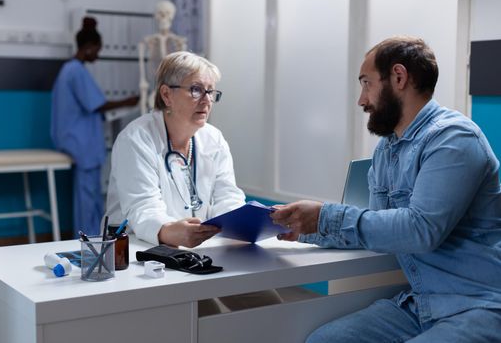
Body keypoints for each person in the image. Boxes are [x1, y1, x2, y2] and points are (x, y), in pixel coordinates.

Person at [271, 36, 501, 342]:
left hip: (477, 306)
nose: (362, 100)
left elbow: (421, 230)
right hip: (421, 305)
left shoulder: (454, 140)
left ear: (398, 77)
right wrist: (303, 229)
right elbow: (381, 227)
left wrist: (325, 217)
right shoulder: (386, 150)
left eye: (367, 83)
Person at [105, 50, 244, 247]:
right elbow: (143, 208)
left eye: (211, 91)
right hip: (138, 248)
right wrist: (168, 230)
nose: (207, 100)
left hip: (195, 247)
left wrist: (242, 222)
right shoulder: (136, 139)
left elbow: (227, 196)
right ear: (166, 95)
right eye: (196, 89)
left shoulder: (214, 139)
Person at [51, 17, 139, 237]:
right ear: (88, 48)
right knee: (87, 195)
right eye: (97, 50)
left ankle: (91, 234)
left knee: (86, 194)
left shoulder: (68, 70)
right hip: (82, 143)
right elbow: (96, 104)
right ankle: (89, 238)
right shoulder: (76, 71)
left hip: (73, 138)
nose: (98, 55)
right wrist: (129, 101)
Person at [138, 0, 187, 116]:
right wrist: (143, 82)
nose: (164, 17)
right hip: (154, 88)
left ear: (172, 16)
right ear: (156, 16)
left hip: (174, 88)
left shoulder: (179, 42)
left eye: (167, 14)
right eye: (160, 14)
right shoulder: (146, 42)